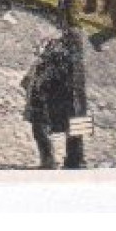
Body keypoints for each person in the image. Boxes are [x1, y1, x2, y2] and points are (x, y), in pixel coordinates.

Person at [21, 33, 83, 169]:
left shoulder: (54, 61)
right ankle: (57, 160)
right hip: (44, 101)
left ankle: (58, 160)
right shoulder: (45, 61)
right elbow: (27, 81)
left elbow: (39, 82)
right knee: (43, 130)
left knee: (46, 129)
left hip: (48, 102)